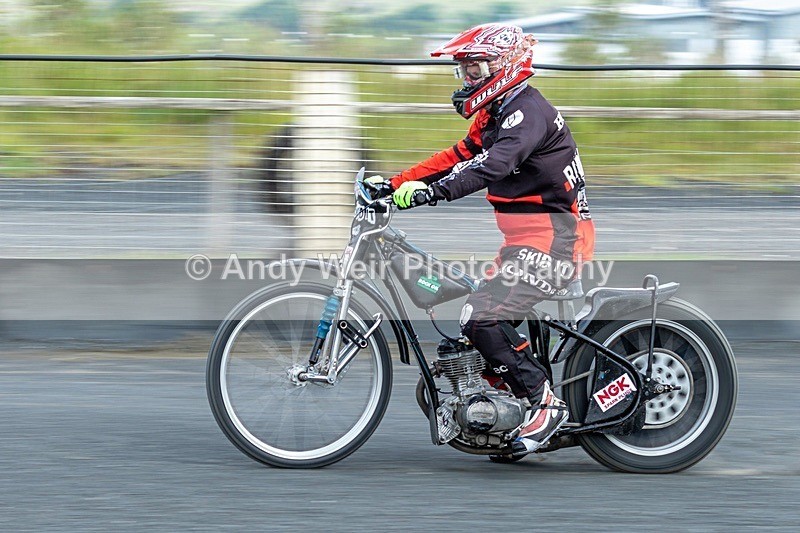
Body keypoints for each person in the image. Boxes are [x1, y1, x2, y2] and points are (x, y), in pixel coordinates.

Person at [367, 24, 595, 456]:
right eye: (464, 71)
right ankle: (505, 405)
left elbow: (493, 166)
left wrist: (431, 193)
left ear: (504, 66)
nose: (468, 79)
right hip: (528, 239)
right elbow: (455, 157)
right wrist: (393, 182)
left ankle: (545, 404)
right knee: (478, 327)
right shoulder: (498, 112)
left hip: (556, 241)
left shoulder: (526, 113)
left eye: (475, 68)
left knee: (480, 316)